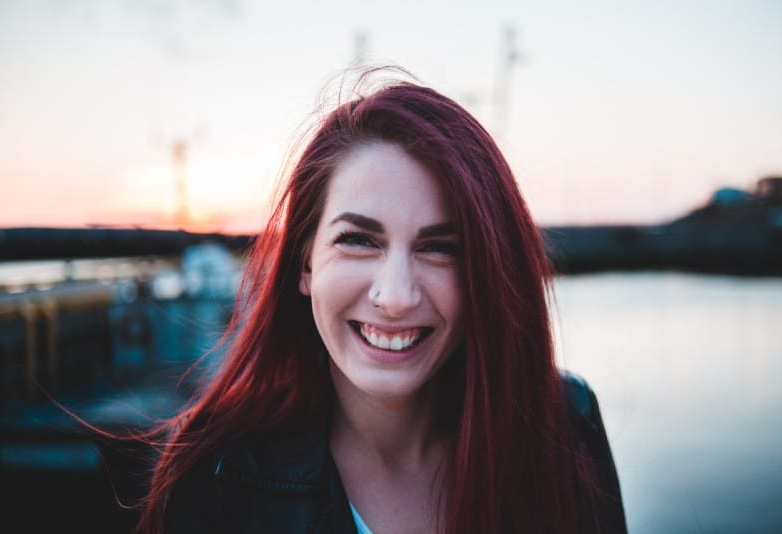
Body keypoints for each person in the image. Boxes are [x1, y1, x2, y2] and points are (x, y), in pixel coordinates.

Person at [134, 69, 627, 533]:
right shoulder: (217, 478)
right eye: (359, 240)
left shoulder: (563, 425)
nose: (394, 298)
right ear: (305, 264)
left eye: (440, 248)